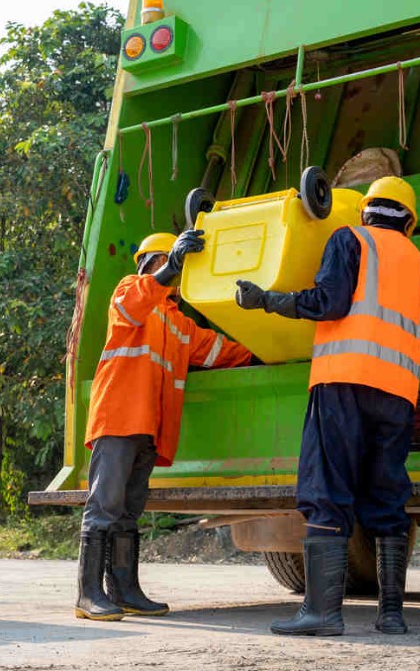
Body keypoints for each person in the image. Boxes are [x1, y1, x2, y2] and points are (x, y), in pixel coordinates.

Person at [235, 176, 420, 636]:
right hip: (397, 395)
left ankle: (323, 613)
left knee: (327, 490)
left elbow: (328, 302)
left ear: (366, 210)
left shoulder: (350, 239)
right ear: (409, 221)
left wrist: (267, 300)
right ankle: (391, 615)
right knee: (387, 497)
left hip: (343, 383)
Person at [76, 230, 253, 622]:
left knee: (127, 511)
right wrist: (170, 267)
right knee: (104, 506)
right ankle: (88, 595)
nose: (174, 271)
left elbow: (218, 350)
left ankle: (124, 590)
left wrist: (264, 350)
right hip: (119, 418)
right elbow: (133, 304)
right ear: (153, 262)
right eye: (169, 262)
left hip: (148, 428)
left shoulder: (179, 323)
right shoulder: (129, 291)